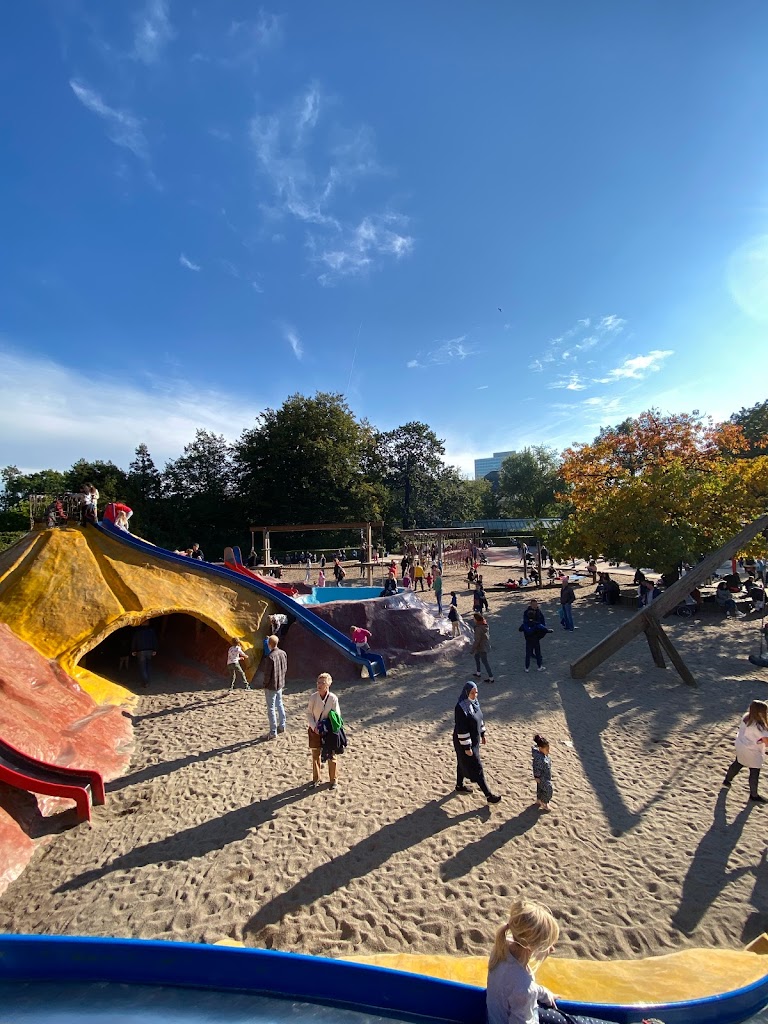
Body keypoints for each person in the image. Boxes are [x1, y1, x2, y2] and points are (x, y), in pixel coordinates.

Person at [452, 681, 501, 803]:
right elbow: (461, 729)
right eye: (472, 693)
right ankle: (489, 795)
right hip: (463, 742)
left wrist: (483, 734)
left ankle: (459, 786)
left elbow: (479, 719)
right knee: (477, 766)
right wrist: (467, 747)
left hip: (474, 740)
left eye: (476, 692)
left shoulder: (475, 703)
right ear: (466, 692)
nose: (474, 695)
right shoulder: (460, 708)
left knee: (461, 761)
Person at [723, 700, 768, 803]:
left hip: (741, 745)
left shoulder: (746, 717)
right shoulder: (761, 727)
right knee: (754, 771)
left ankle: (727, 780)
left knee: (738, 763)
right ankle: (754, 795)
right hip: (752, 750)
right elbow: (767, 742)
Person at [307, 672, 340, 789]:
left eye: (323, 683)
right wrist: (314, 727)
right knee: (315, 755)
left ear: (328, 685)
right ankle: (316, 779)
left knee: (331, 756)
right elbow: (309, 714)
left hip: (328, 732)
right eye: (318, 682)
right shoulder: (313, 697)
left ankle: (333, 780)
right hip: (314, 730)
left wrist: (326, 727)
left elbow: (336, 716)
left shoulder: (333, 698)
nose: (319, 685)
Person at [259, 634, 287, 739]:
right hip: (280, 684)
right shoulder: (283, 653)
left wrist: (264, 684)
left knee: (271, 708)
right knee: (279, 704)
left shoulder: (270, 657)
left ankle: (273, 731)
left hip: (271, 685)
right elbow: (285, 668)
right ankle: (282, 725)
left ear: (269, 644)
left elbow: (267, 674)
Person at [519, 600, 553, 672]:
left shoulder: (537, 612)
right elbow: (542, 626)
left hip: (529, 636)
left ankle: (527, 668)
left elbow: (520, 628)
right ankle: (539, 666)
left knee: (528, 651)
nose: (535, 606)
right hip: (535, 635)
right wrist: (546, 630)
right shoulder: (533, 619)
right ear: (531, 605)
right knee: (537, 650)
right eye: (534, 605)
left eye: (536, 605)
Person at [471, 612, 494, 683]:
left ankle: (491, 678)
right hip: (484, 645)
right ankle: (478, 673)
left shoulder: (478, 628)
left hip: (481, 647)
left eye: (474, 618)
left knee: (485, 662)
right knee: (476, 657)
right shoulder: (484, 625)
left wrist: (472, 649)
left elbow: (477, 640)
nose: (473, 619)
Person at [532, 734, 553, 810]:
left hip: (545, 776)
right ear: (540, 748)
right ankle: (544, 802)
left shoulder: (542, 755)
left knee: (540, 789)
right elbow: (536, 767)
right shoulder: (539, 758)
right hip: (543, 777)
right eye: (546, 749)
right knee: (548, 789)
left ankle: (538, 800)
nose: (548, 751)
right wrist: (537, 776)